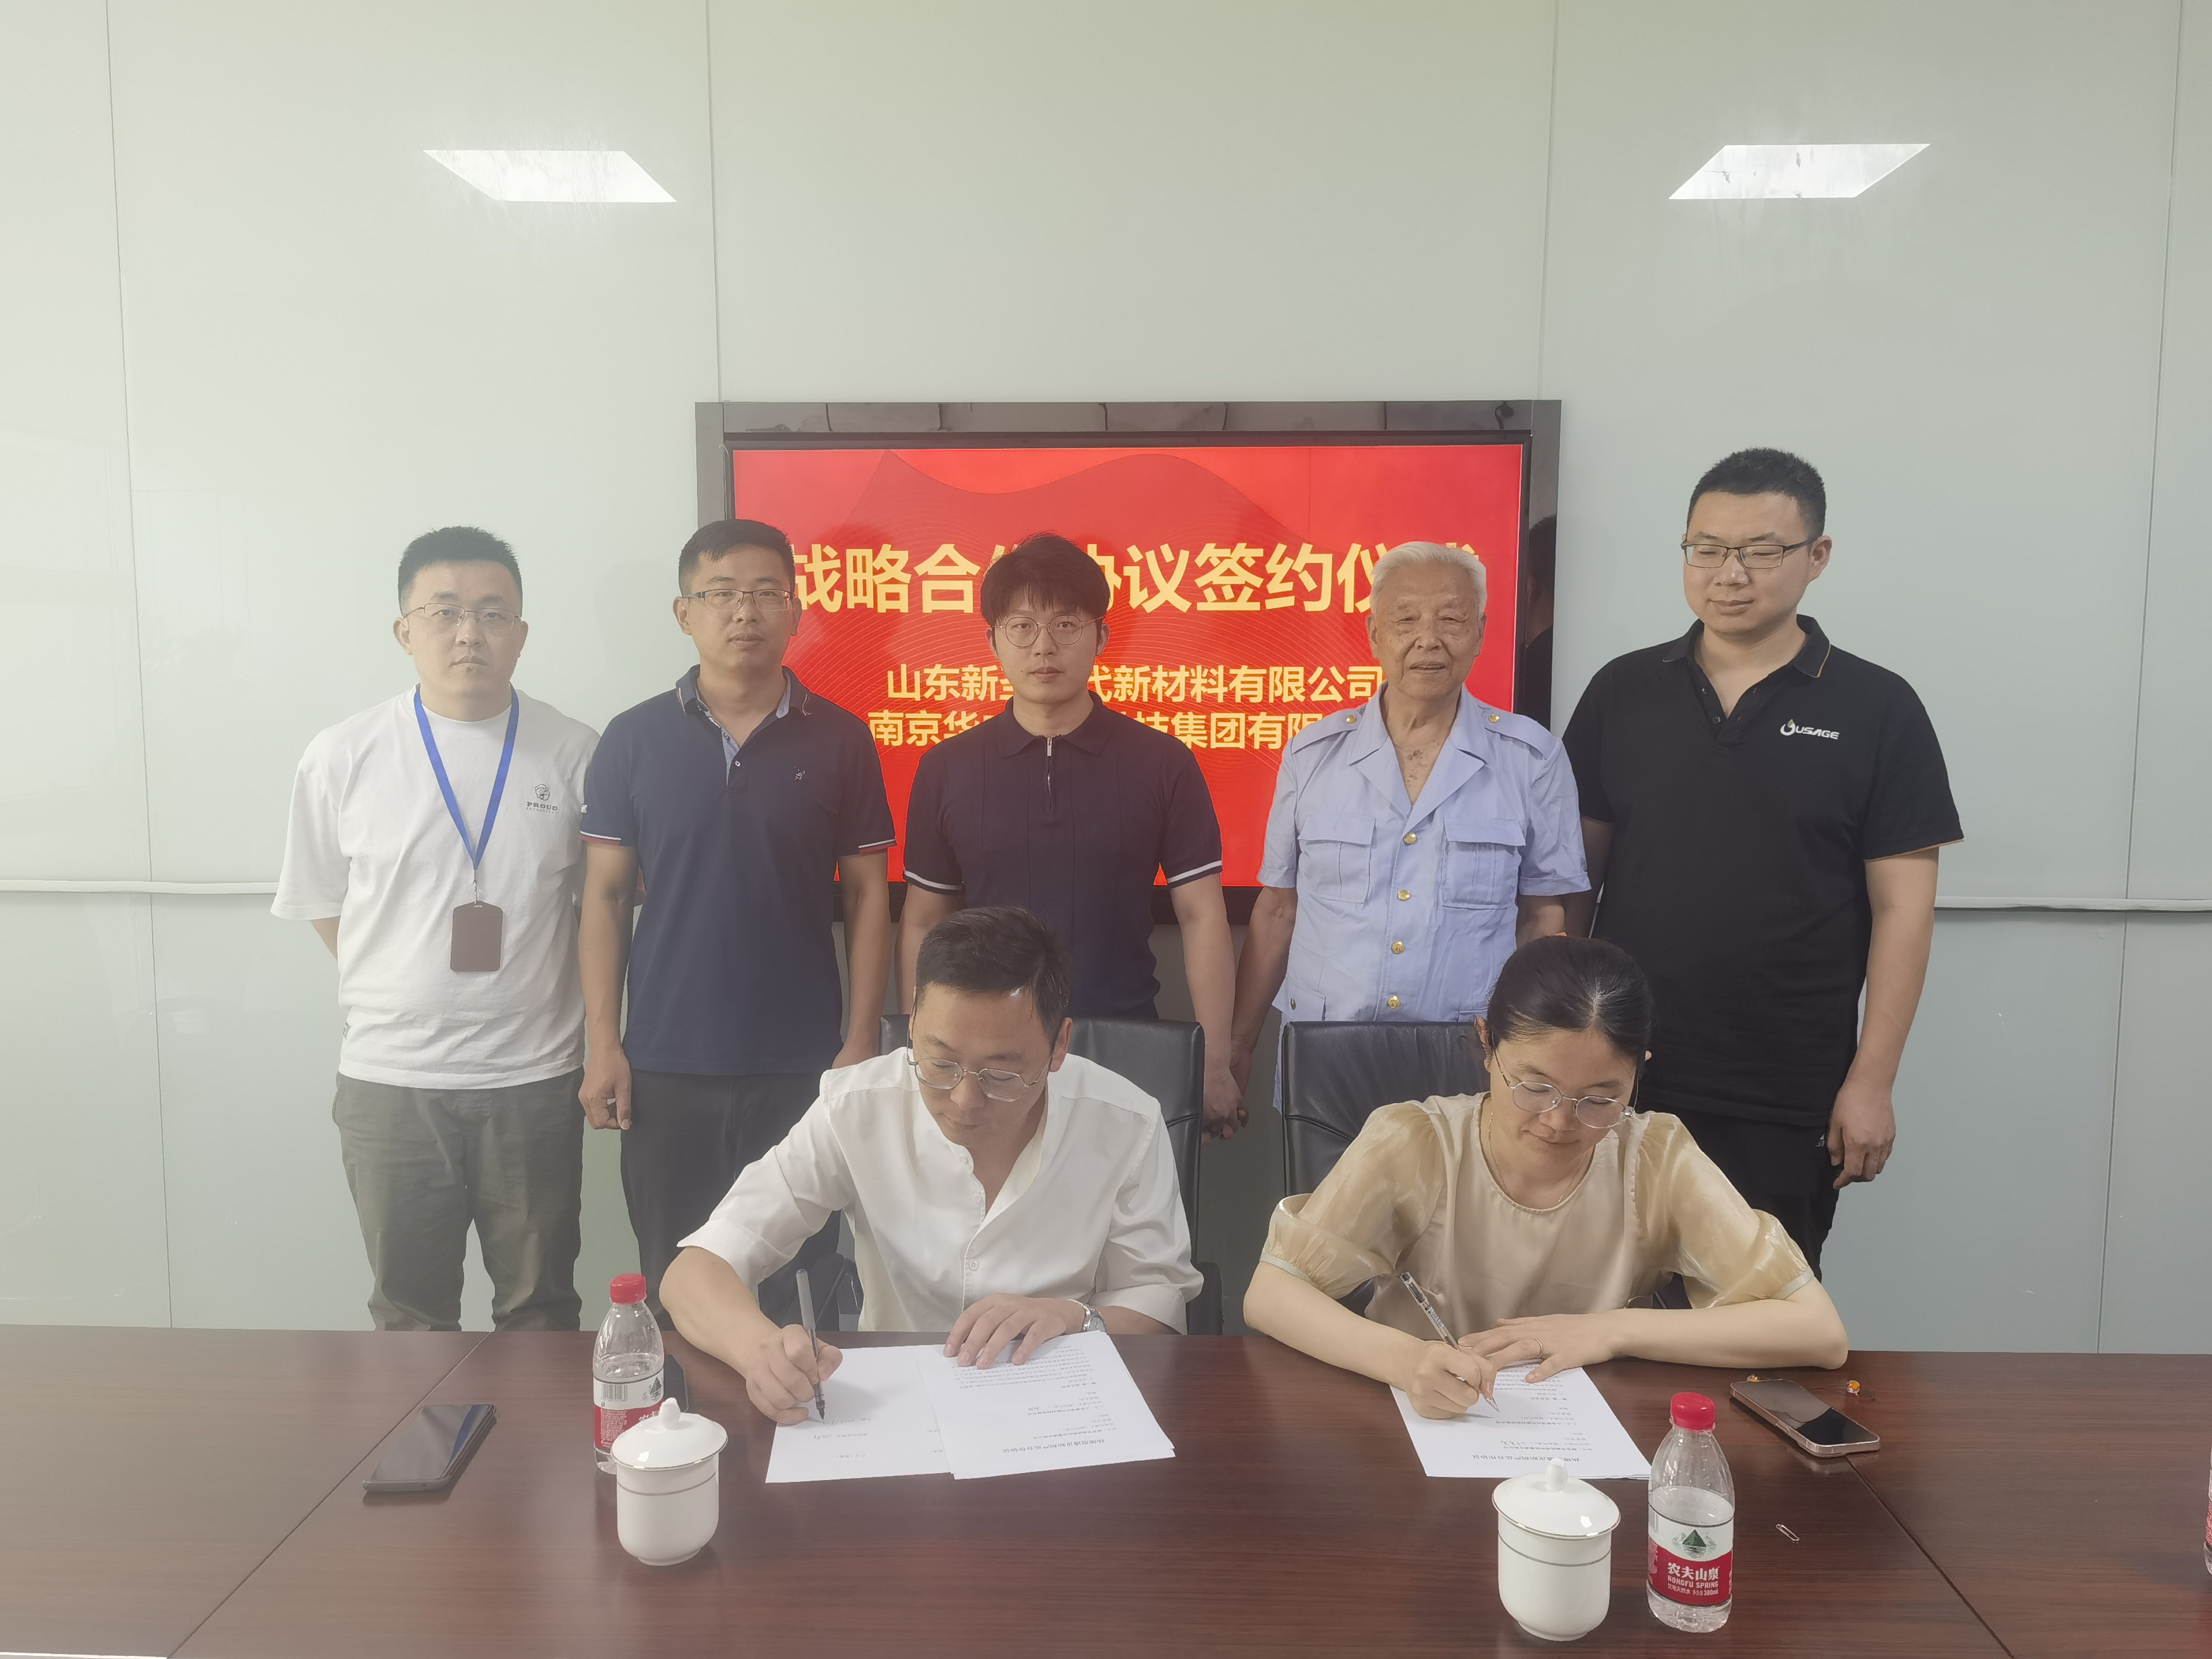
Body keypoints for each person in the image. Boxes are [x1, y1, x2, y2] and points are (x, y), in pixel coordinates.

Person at [1562, 449, 1961, 1272]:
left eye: (1761, 551)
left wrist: (1872, 1081)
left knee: (1754, 1317)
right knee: (1596, 1305)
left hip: (1782, 1087)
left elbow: (1904, 911)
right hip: (1621, 1073)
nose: (1729, 574)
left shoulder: (1878, 707)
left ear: (1818, 556)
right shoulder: (1622, 692)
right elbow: (1572, 884)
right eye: (1706, 548)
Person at [1244, 936, 1848, 1416]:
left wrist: (1611, 1332)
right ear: (1487, 1044)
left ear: (1638, 1072)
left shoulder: (1655, 1156)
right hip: (1424, 1421)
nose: (1560, 1122)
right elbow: (1272, 1293)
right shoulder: (1415, 1141)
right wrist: (1405, 1361)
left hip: (1592, 1441)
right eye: (1534, 1088)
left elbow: (1818, 1332)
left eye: (1600, 1099)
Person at [664, 906, 1203, 1425]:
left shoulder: (1125, 1123)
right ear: (915, 1020)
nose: (965, 1101)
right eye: (941, 1063)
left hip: (1055, 1404)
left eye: (1000, 1075)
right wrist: (758, 1351)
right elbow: (696, 1271)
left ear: (1058, 1046)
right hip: (894, 1408)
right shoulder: (855, 1108)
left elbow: (1158, 1301)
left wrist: (1074, 1317)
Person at [273, 526, 598, 1332]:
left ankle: (528, 1426)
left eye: (492, 613)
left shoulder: (576, 753)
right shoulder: (343, 755)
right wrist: (400, 979)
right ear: (404, 630)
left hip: (532, 1076)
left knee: (540, 1309)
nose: (468, 633)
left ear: (521, 633)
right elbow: (320, 898)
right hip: (392, 1079)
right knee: (409, 1315)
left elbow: (600, 906)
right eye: (444, 611)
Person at [578, 518, 894, 1318]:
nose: (744, 612)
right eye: (721, 594)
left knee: (801, 1288)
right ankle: (682, 1406)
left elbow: (868, 898)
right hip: (666, 1065)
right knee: (675, 1282)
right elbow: (605, 898)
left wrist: (860, 1044)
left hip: (802, 1065)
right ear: (684, 613)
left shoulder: (843, 740)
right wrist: (606, 1046)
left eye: (765, 594)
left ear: (796, 611)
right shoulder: (632, 739)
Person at [898, 532, 1244, 1137]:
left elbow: (1201, 916)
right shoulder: (947, 768)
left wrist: (1215, 1059)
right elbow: (924, 921)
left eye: (1065, 625)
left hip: (1124, 1039)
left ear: (1101, 637)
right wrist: (922, 1053)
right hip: (984, 1056)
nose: (1044, 646)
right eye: (1022, 627)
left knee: (1125, 1198)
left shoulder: (1162, 763)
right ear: (992, 641)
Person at [1227, 541, 1587, 1095]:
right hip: (1328, 1050)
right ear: (1375, 633)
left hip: (1469, 1053)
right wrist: (1238, 1046)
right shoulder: (1312, 754)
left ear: (1480, 632)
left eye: (1451, 619)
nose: (1428, 639)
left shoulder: (1532, 759)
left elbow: (1544, 918)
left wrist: (1540, 1056)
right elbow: (1277, 910)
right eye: (1406, 620)